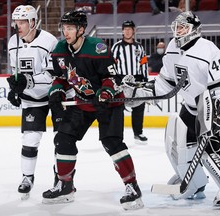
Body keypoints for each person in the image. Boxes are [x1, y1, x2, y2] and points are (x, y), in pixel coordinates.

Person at [124, 11, 220, 209]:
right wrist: (141, 93)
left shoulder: (207, 49)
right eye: (177, 26)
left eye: (183, 27)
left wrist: (218, 109)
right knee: (181, 140)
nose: (178, 31)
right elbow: (166, 83)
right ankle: (194, 181)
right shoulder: (173, 47)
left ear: (194, 30)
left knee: (213, 145)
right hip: (193, 105)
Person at [41, 10, 144, 210]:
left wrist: (105, 94)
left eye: (70, 28)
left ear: (81, 29)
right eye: (64, 27)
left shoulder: (97, 48)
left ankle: (132, 188)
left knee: (111, 143)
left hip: (109, 103)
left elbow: (111, 78)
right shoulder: (60, 49)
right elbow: (61, 77)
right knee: (63, 138)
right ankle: (65, 185)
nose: (66, 31)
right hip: (83, 102)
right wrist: (56, 92)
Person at [6, 5, 62, 200]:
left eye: (22, 22)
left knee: (61, 140)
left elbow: (51, 74)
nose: (18, 26)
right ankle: (27, 177)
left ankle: (61, 178)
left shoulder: (49, 41)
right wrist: (14, 90)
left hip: (54, 96)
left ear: (32, 22)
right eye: (16, 22)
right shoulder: (13, 42)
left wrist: (27, 82)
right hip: (31, 98)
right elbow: (15, 71)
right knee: (30, 140)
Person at [111, 20, 149, 145]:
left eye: (130, 29)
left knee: (139, 106)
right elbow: (112, 64)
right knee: (118, 108)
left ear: (134, 31)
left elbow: (143, 63)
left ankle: (138, 133)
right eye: (125, 29)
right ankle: (117, 135)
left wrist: (145, 79)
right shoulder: (116, 47)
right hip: (120, 79)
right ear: (122, 31)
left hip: (137, 80)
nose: (127, 31)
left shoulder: (139, 47)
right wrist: (114, 79)